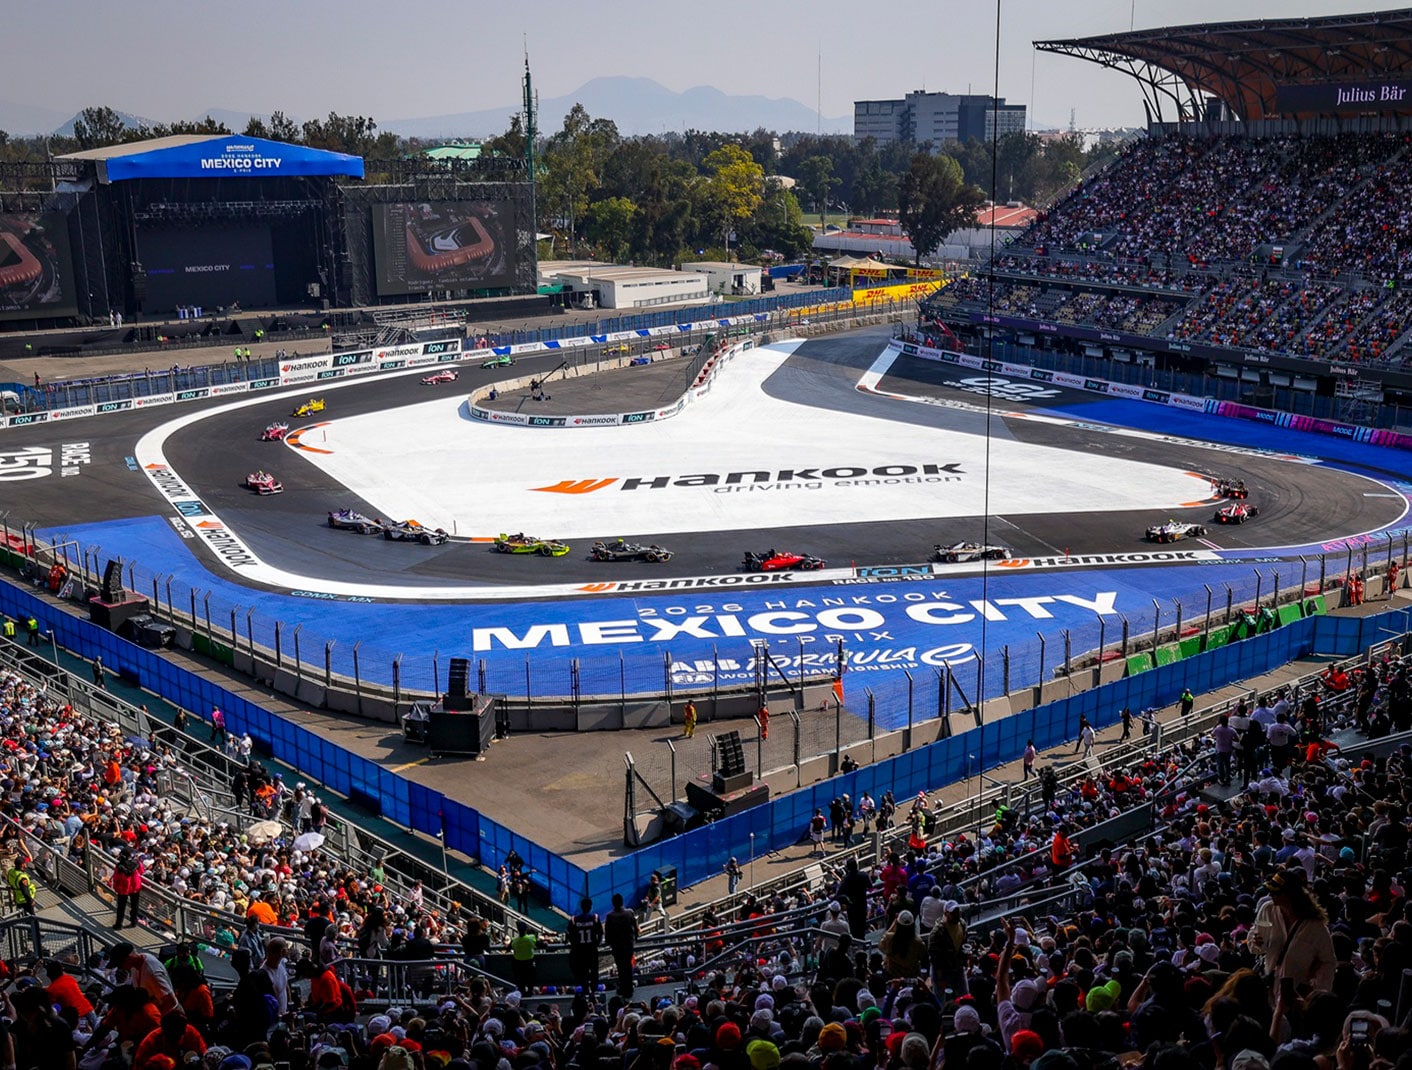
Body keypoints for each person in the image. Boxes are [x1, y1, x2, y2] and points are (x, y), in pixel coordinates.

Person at [603, 892, 639, 997]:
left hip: (617, 948)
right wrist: (635, 939)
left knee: (621, 968)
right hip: (628, 946)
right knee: (628, 967)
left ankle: (624, 988)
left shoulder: (610, 916)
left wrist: (609, 943)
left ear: (613, 904)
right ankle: (628, 989)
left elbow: (608, 934)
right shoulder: (630, 913)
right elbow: (635, 929)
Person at [567, 896, 603, 993]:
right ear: (590, 907)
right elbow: (600, 933)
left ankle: (586, 990)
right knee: (594, 973)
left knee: (582, 973)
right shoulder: (594, 918)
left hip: (580, 951)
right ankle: (593, 993)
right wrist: (597, 944)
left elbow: (569, 934)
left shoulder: (574, 920)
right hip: (592, 950)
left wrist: (574, 944)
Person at [112, 846, 144, 929]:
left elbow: (116, 878)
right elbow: (142, 871)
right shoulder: (136, 863)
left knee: (121, 907)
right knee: (135, 905)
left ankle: (118, 924)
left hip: (123, 888)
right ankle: (133, 922)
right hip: (135, 887)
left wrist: (116, 887)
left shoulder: (120, 866)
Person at [509, 919, 538, 993]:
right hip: (529, 963)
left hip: (518, 964)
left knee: (520, 982)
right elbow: (540, 944)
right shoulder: (531, 938)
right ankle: (530, 992)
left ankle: (522, 993)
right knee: (530, 980)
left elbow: (508, 948)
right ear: (526, 930)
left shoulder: (514, 941)